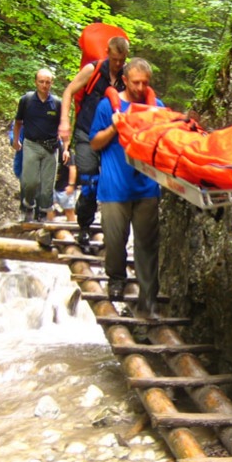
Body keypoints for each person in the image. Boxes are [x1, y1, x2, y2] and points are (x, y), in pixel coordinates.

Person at [89, 57, 162, 318]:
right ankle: (116, 279)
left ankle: (148, 298)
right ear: (125, 80)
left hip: (147, 187)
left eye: (145, 83)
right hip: (114, 187)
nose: (140, 88)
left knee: (147, 245)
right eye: (135, 82)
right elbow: (94, 142)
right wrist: (114, 127)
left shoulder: (156, 107)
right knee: (115, 240)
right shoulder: (107, 106)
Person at [60, 36, 129, 247]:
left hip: (112, 137)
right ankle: (84, 226)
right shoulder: (93, 70)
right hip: (86, 133)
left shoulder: (127, 75)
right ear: (107, 53)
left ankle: (113, 233)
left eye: (122, 60)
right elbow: (69, 91)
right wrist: (64, 122)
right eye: (115, 59)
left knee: (113, 183)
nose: (118, 64)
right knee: (90, 181)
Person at [13, 68, 63, 222]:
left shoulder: (57, 103)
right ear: (35, 82)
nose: (44, 85)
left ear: (51, 83)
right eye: (41, 82)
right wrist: (16, 140)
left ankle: (42, 213)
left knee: (47, 186)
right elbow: (18, 122)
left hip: (51, 148)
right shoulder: (27, 100)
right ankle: (28, 206)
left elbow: (63, 126)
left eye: (47, 82)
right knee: (30, 182)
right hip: (31, 144)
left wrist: (66, 147)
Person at [49, 141, 77, 222]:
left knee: (69, 210)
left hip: (65, 185)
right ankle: (51, 226)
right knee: (49, 209)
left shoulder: (67, 150)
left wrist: (71, 185)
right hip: (51, 185)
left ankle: (72, 227)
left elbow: (73, 168)